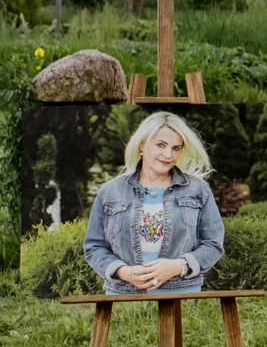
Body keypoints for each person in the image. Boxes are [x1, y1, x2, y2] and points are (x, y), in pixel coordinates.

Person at [83, 111, 225, 295]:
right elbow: (94, 246)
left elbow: (213, 244)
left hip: (182, 294)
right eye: (161, 145)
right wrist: (125, 272)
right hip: (123, 295)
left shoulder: (198, 189)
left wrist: (178, 266)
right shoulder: (111, 191)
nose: (168, 154)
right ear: (142, 146)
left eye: (176, 148)